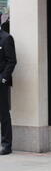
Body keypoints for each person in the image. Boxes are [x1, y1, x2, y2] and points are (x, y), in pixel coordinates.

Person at [0, 26, 16, 155]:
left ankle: (6, 145)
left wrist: (3, 78)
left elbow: (12, 61)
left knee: (3, 114)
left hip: (1, 83)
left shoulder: (6, 38)